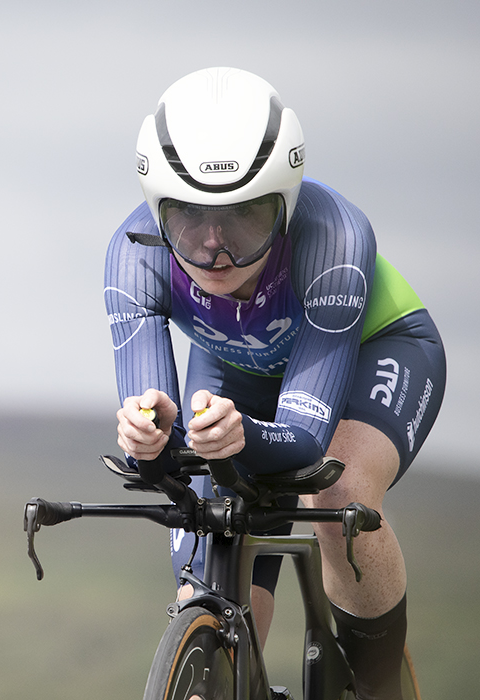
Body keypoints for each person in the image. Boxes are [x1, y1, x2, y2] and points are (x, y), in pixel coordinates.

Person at [104, 67, 445, 700]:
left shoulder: (334, 236)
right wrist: (146, 437)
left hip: (375, 350)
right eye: (189, 222)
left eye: (246, 220)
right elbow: (155, 430)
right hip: (239, 367)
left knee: (336, 491)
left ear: (285, 207)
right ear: (158, 212)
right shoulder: (134, 251)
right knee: (206, 551)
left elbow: (306, 443)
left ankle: (377, 686)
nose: (216, 251)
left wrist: (236, 438)